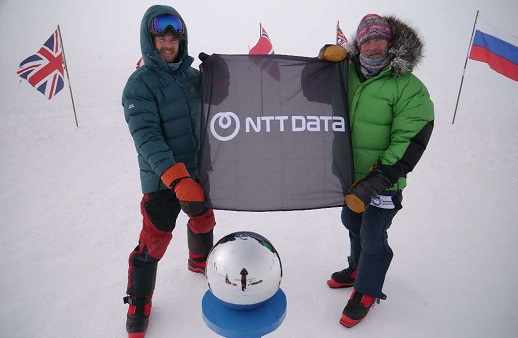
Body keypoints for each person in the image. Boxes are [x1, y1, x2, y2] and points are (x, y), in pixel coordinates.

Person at [319, 14, 434, 328]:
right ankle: (356, 268)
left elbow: (410, 138)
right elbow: (310, 92)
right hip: (349, 175)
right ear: (359, 43)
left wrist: (378, 179)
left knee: (373, 236)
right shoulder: (347, 74)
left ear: (390, 42)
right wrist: (323, 63)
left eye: (378, 39)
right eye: (366, 40)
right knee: (350, 220)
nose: (372, 46)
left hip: (384, 180)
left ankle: (367, 290)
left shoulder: (408, 87)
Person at [121, 5, 216, 336]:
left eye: (173, 38)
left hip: (197, 171)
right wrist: (176, 177)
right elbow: (146, 136)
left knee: (204, 219)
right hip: (163, 179)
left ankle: (199, 261)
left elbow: (221, 103)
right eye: (161, 38)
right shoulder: (139, 84)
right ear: (150, 41)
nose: (168, 44)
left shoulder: (193, 77)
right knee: (154, 240)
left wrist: (224, 75)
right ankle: (138, 301)